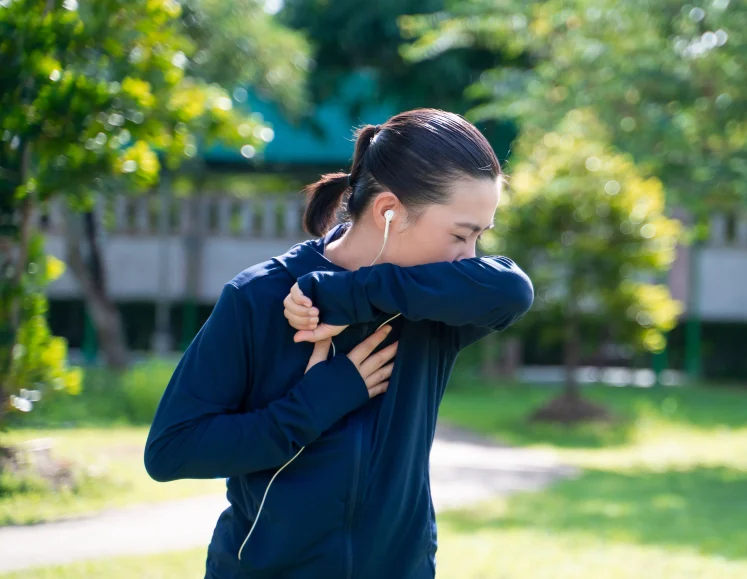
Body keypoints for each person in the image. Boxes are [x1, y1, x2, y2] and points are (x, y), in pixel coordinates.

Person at [144, 109, 534, 578]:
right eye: (460, 235)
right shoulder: (260, 296)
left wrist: (345, 295)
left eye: (479, 237)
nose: (469, 257)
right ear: (389, 211)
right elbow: (172, 450)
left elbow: (513, 290)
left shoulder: (435, 305)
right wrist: (317, 402)